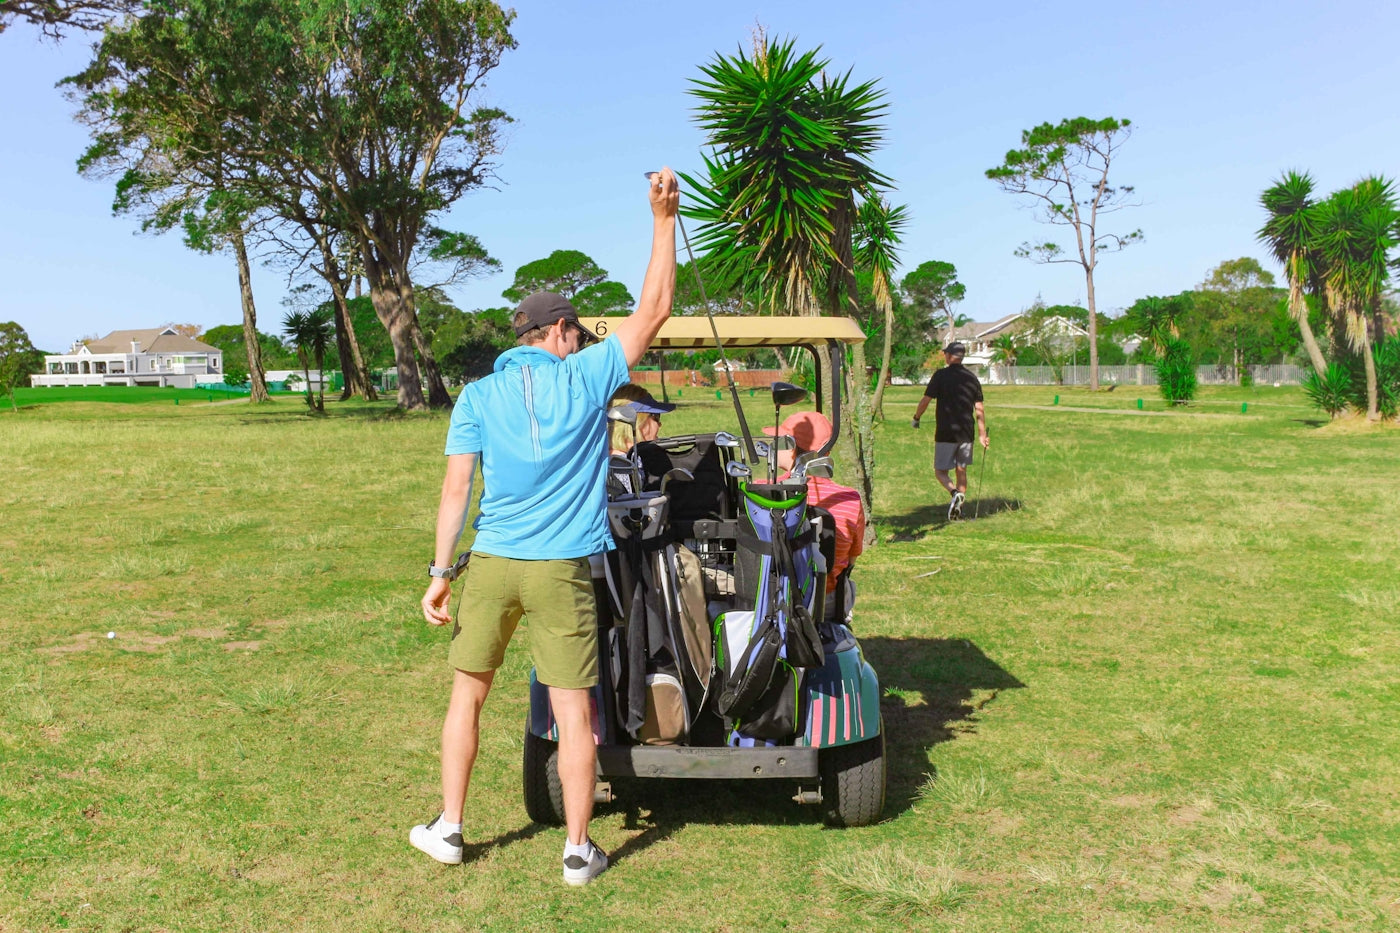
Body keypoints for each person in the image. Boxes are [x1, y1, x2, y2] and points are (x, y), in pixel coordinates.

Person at [412, 168, 680, 884]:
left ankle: (451, 827)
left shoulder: (476, 392)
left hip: (493, 562)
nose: (581, 339)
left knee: (467, 693)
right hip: (562, 565)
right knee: (573, 709)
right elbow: (652, 309)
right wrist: (662, 220)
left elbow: (455, 488)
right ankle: (576, 848)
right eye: (577, 331)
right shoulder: (588, 374)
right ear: (559, 332)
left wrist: (440, 576)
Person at [767, 411, 865, 618]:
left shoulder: (765, 492)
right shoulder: (850, 498)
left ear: (792, 450)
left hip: (774, 599)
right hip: (828, 601)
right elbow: (852, 558)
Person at [911, 342, 989, 521]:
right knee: (961, 470)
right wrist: (982, 434)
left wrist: (916, 418)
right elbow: (979, 408)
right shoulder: (972, 378)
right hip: (966, 432)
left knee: (940, 471)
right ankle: (958, 511)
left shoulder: (940, 376)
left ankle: (954, 493)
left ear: (949, 356)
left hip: (946, 432)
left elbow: (925, 400)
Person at [606, 384, 676, 496]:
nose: (660, 424)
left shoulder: (605, 460)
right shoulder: (624, 468)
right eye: (656, 417)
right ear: (638, 422)